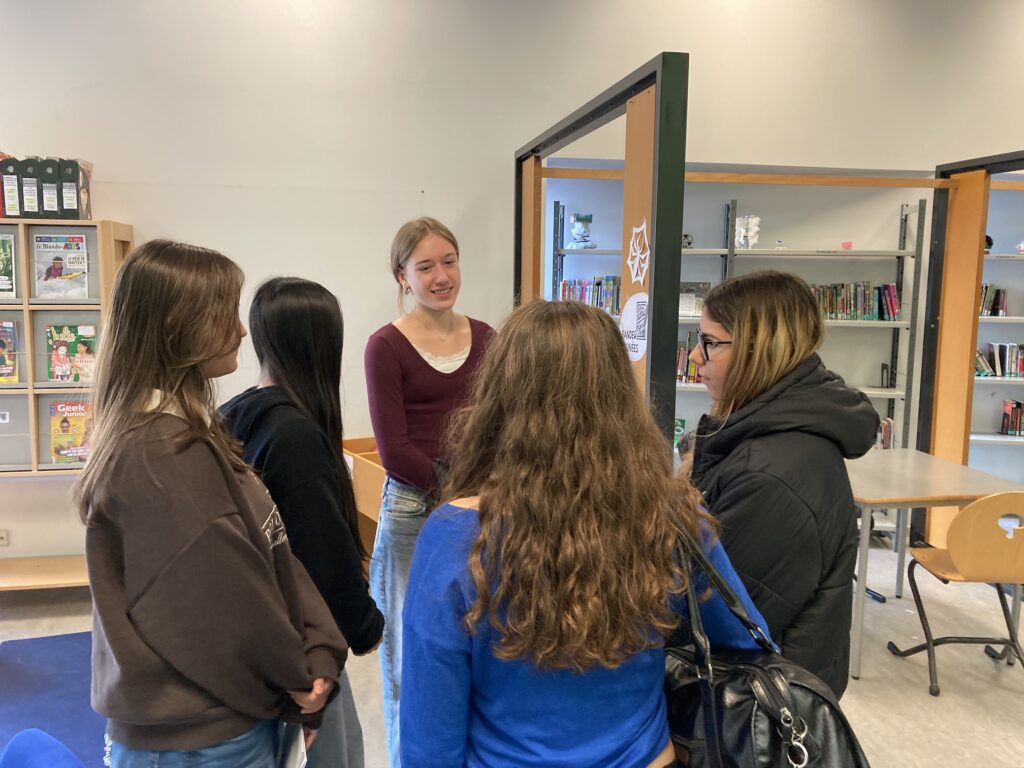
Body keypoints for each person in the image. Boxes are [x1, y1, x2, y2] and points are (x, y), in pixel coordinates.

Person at [401, 300, 771, 768]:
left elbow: (429, 737)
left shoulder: (454, 536)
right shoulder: (670, 516)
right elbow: (746, 642)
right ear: (621, 396)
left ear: (497, 399)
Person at [73, 240, 347, 768]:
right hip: (197, 739)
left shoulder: (184, 430)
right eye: (224, 312)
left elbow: (269, 550)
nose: (242, 329)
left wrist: (317, 647)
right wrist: (297, 675)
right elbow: (230, 602)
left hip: (213, 725)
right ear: (178, 326)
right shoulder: (159, 452)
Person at [686, 269, 879, 699]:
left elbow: (717, 621)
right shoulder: (763, 435)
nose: (696, 356)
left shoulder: (770, 475)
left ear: (758, 350)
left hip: (755, 703)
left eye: (710, 342)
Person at [222, 276, 385, 768]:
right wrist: (367, 627)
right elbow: (323, 560)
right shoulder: (295, 439)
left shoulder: (233, 415)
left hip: (254, 640)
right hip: (302, 654)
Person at [364, 216, 493, 767]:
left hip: (484, 509)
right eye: (425, 267)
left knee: (481, 649)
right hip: (414, 513)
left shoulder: (487, 338)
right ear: (402, 276)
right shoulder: (385, 346)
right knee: (409, 660)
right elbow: (394, 451)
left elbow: (499, 425)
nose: (441, 276)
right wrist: (459, 490)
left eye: (449, 261)